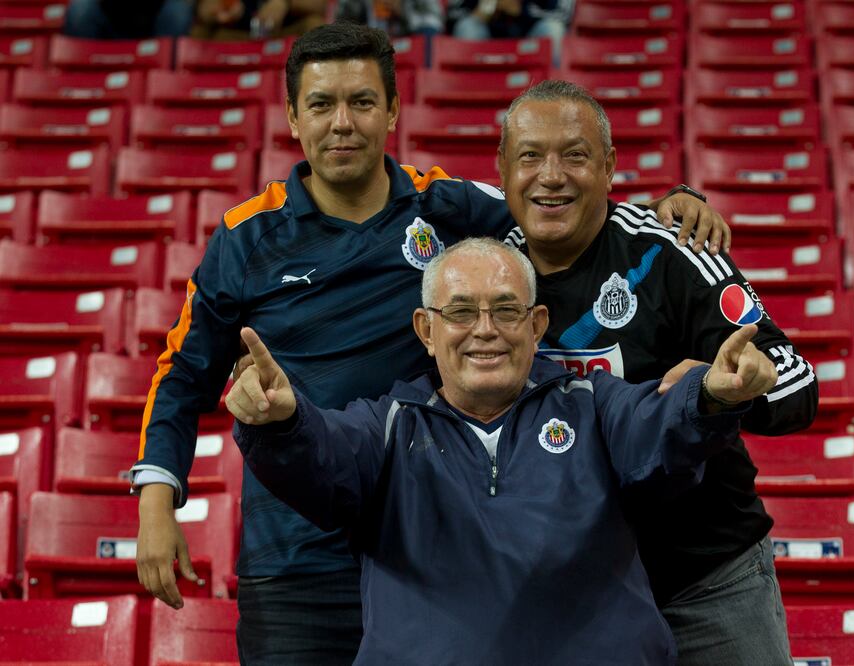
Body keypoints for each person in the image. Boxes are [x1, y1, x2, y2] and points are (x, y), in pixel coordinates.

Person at [130, 22, 730, 665]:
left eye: (362, 102)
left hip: (427, 551)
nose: (342, 123)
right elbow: (184, 374)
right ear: (293, 118)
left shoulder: (448, 205)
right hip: (300, 557)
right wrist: (157, 504)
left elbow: (557, 203)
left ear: (391, 110)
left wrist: (670, 205)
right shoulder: (246, 238)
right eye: (321, 104)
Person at [225, 237, 778, 665]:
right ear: (426, 330)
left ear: (537, 325)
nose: (485, 331)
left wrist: (708, 396)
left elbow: (658, 426)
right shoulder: (386, 427)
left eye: (507, 310)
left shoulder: (594, 404)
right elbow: (321, 454)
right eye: (461, 312)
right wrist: (281, 421)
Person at [497, 79, 818, 665]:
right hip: (569, 593)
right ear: (501, 170)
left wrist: (733, 391)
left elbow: (798, 384)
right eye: (530, 156)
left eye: (575, 155)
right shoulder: (485, 269)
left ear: (610, 166)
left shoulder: (673, 250)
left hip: (707, 583)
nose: (551, 175)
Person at [449, 0, 572, 64]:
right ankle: (470, 87)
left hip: (530, 35)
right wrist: (487, 8)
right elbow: (452, 14)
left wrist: (523, 11)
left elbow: (564, 14)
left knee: (552, 28)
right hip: (486, 34)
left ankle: (551, 92)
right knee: (467, 27)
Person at [191, 0, 326, 39]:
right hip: (237, 37)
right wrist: (219, 9)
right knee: (200, 32)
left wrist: (285, 3)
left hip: (284, 35)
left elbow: (320, 6)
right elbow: (204, 11)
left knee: (315, 24)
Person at [63, 0, 193, 39]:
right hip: (109, 16)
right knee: (80, 10)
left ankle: (165, 75)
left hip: (154, 17)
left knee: (178, 12)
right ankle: (80, 75)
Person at [335, 0, 445, 39]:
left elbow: (434, 23)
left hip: (408, 47)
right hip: (369, 46)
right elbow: (340, 24)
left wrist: (402, 11)